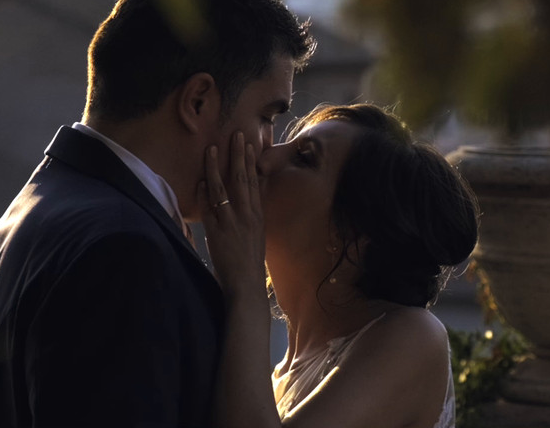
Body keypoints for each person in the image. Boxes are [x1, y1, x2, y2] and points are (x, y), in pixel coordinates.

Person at [0, 0, 314, 428]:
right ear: (198, 101)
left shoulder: (28, 217)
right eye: (267, 117)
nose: (267, 150)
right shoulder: (124, 253)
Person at [199, 103, 480, 428]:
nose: (265, 157)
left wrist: (245, 290)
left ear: (351, 231)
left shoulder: (413, 336)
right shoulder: (283, 371)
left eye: (304, 158)